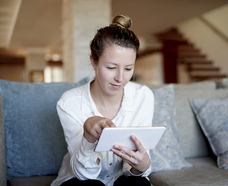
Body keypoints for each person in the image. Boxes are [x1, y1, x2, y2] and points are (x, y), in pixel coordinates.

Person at [51, 15, 154, 186]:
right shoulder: (69, 103)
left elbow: (137, 166)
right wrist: (88, 137)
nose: (120, 78)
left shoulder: (143, 96)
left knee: (139, 183)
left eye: (128, 68)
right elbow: (83, 175)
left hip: (122, 179)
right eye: (111, 67)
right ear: (93, 61)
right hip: (80, 180)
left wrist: (141, 166)